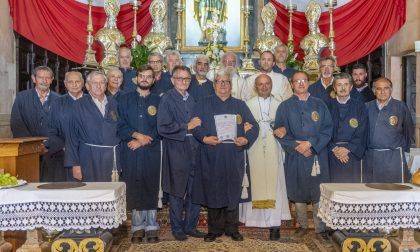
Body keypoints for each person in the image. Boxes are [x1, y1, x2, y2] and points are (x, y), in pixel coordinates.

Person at [191, 68, 259, 242]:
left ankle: (232, 228)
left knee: (232, 192)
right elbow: (195, 126)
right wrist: (204, 138)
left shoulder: (240, 105)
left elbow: (254, 126)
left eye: (226, 82)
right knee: (213, 191)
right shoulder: (202, 103)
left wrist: (246, 139)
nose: (223, 85)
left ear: (231, 85)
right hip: (211, 154)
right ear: (214, 85)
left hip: (233, 155)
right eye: (219, 81)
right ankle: (213, 230)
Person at [274, 71, 332, 240]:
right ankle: (302, 225)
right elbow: (279, 131)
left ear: (308, 82)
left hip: (317, 155)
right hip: (296, 156)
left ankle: (320, 228)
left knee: (318, 191)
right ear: (292, 84)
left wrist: (311, 144)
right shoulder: (284, 106)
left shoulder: (320, 104)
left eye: (304, 80)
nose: (300, 83)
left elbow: (327, 130)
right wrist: (296, 146)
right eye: (297, 81)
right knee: (297, 189)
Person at [239, 74, 291, 241]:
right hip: (253, 146)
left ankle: (274, 224)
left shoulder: (280, 104)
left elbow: (287, 125)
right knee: (255, 181)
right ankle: (253, 219)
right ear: (255, 86)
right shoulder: (247, 105)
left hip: (274, 146)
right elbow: (240, 124)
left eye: (266, 83)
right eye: (260, 84)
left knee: (275, 183)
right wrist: (243, 128)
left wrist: (283, 130)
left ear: (271, 85)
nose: (263, 87)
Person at [157, 66, 205, 241]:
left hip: (195, 149)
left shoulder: (192, 99)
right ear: (172, 80)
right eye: (180, 78)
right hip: (176, 150)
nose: (183, 82)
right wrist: (186, 126)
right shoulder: (167, 99)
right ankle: (177, 228)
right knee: (177, 191)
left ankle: (190, 226)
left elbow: (200, 122)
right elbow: (162, 128)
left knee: (195, 190)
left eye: (187, 79)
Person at [117, 65, 161, 244]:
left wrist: (144, 140)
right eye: (141, 76)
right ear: (136, 78)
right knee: (134, 186)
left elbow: (161, 126)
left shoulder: (159, 101)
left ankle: (152, 227)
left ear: (153, 80)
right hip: (131, 149)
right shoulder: (124, 99)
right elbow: (120, 124)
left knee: (150, 184)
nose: (144, 79)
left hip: (151, 149)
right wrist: (137, 136)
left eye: (148, 76)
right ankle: (137, 227)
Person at [65, 71, 120, 182]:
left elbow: (119, 130)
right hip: (89, 157)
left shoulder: (114, 103)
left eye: (102, 83)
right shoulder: (78, 105)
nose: (98, 86)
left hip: (111, 158)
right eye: (95, 83)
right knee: (92, 194)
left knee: (111, 193)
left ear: (106, 85)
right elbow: (71, 137)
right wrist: (75, 165)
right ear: (87, 86)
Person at [10, 65, 60, 182]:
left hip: (51, 153)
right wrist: (33, 146)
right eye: (41, 77)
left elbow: (63, 127)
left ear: (52, 80)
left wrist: (49, 145)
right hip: (27, 153)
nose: (44, 80)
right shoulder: (22, 98)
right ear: (34, 78)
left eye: (47, 78)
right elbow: (16, 123)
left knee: (50, 189)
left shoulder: (60, 100)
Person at [365, 77, 414, 183]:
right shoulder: (367, 107)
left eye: (386, 88)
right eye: (379, 89)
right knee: (372, 191)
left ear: (391, 90)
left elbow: (408, 131)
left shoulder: (400, 107)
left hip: (393, 158)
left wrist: (403, 150)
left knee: (394, 192)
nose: (383, 92)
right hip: (372, 157)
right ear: (374, 91)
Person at [327, 73, 368, 183]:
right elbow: (322, 130)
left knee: (352, 189)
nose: (343, 88)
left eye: (346, 84)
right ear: (334, 88)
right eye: (339, 85)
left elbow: (363, 130)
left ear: (351, 87)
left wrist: (348, 148)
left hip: (353, 153)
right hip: (332, 153)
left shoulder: (360, 106)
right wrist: (335, 149)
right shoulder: (326, 106)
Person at [47, 71, 84, 182]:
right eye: (70, 82)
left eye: (77, 81)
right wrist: (65, 147)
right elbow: (51, 130)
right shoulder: (57, 103)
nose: (74, 84)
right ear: (65, 83)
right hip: (64, 155)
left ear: (82, 83)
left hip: (89, 155)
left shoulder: (91, 101)